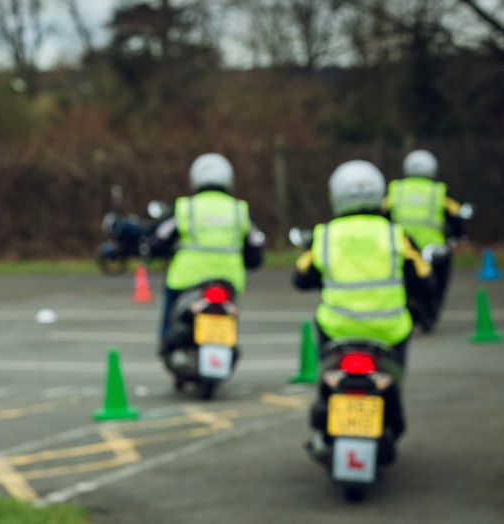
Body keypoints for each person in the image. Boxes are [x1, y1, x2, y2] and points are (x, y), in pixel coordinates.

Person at [293, 159, 434, 459]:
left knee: (326, 376)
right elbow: (424, 278)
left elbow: (301, 277)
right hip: (389, 331)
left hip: (338, 330)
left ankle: (327, 411)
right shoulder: (396, 234)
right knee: (394, 383)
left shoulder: (326, 235)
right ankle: (388, 404)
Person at [149, 153, 265, 355]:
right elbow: (256, 249)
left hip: (186, 279)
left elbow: (159, 238)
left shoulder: (186, 208)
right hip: (229, 280)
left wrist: (154, 249)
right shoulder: (240, 210)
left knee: (169, 305)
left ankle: (166, 339)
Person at [383, 149, 465, 330]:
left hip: (403, 247)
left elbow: (383, 214)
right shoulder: (439, 192)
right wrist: (456, 236)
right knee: (440, 280)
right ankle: (430, 314)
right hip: (434, 248)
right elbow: (456, 216)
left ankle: (408, 308)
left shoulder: (396, 190)